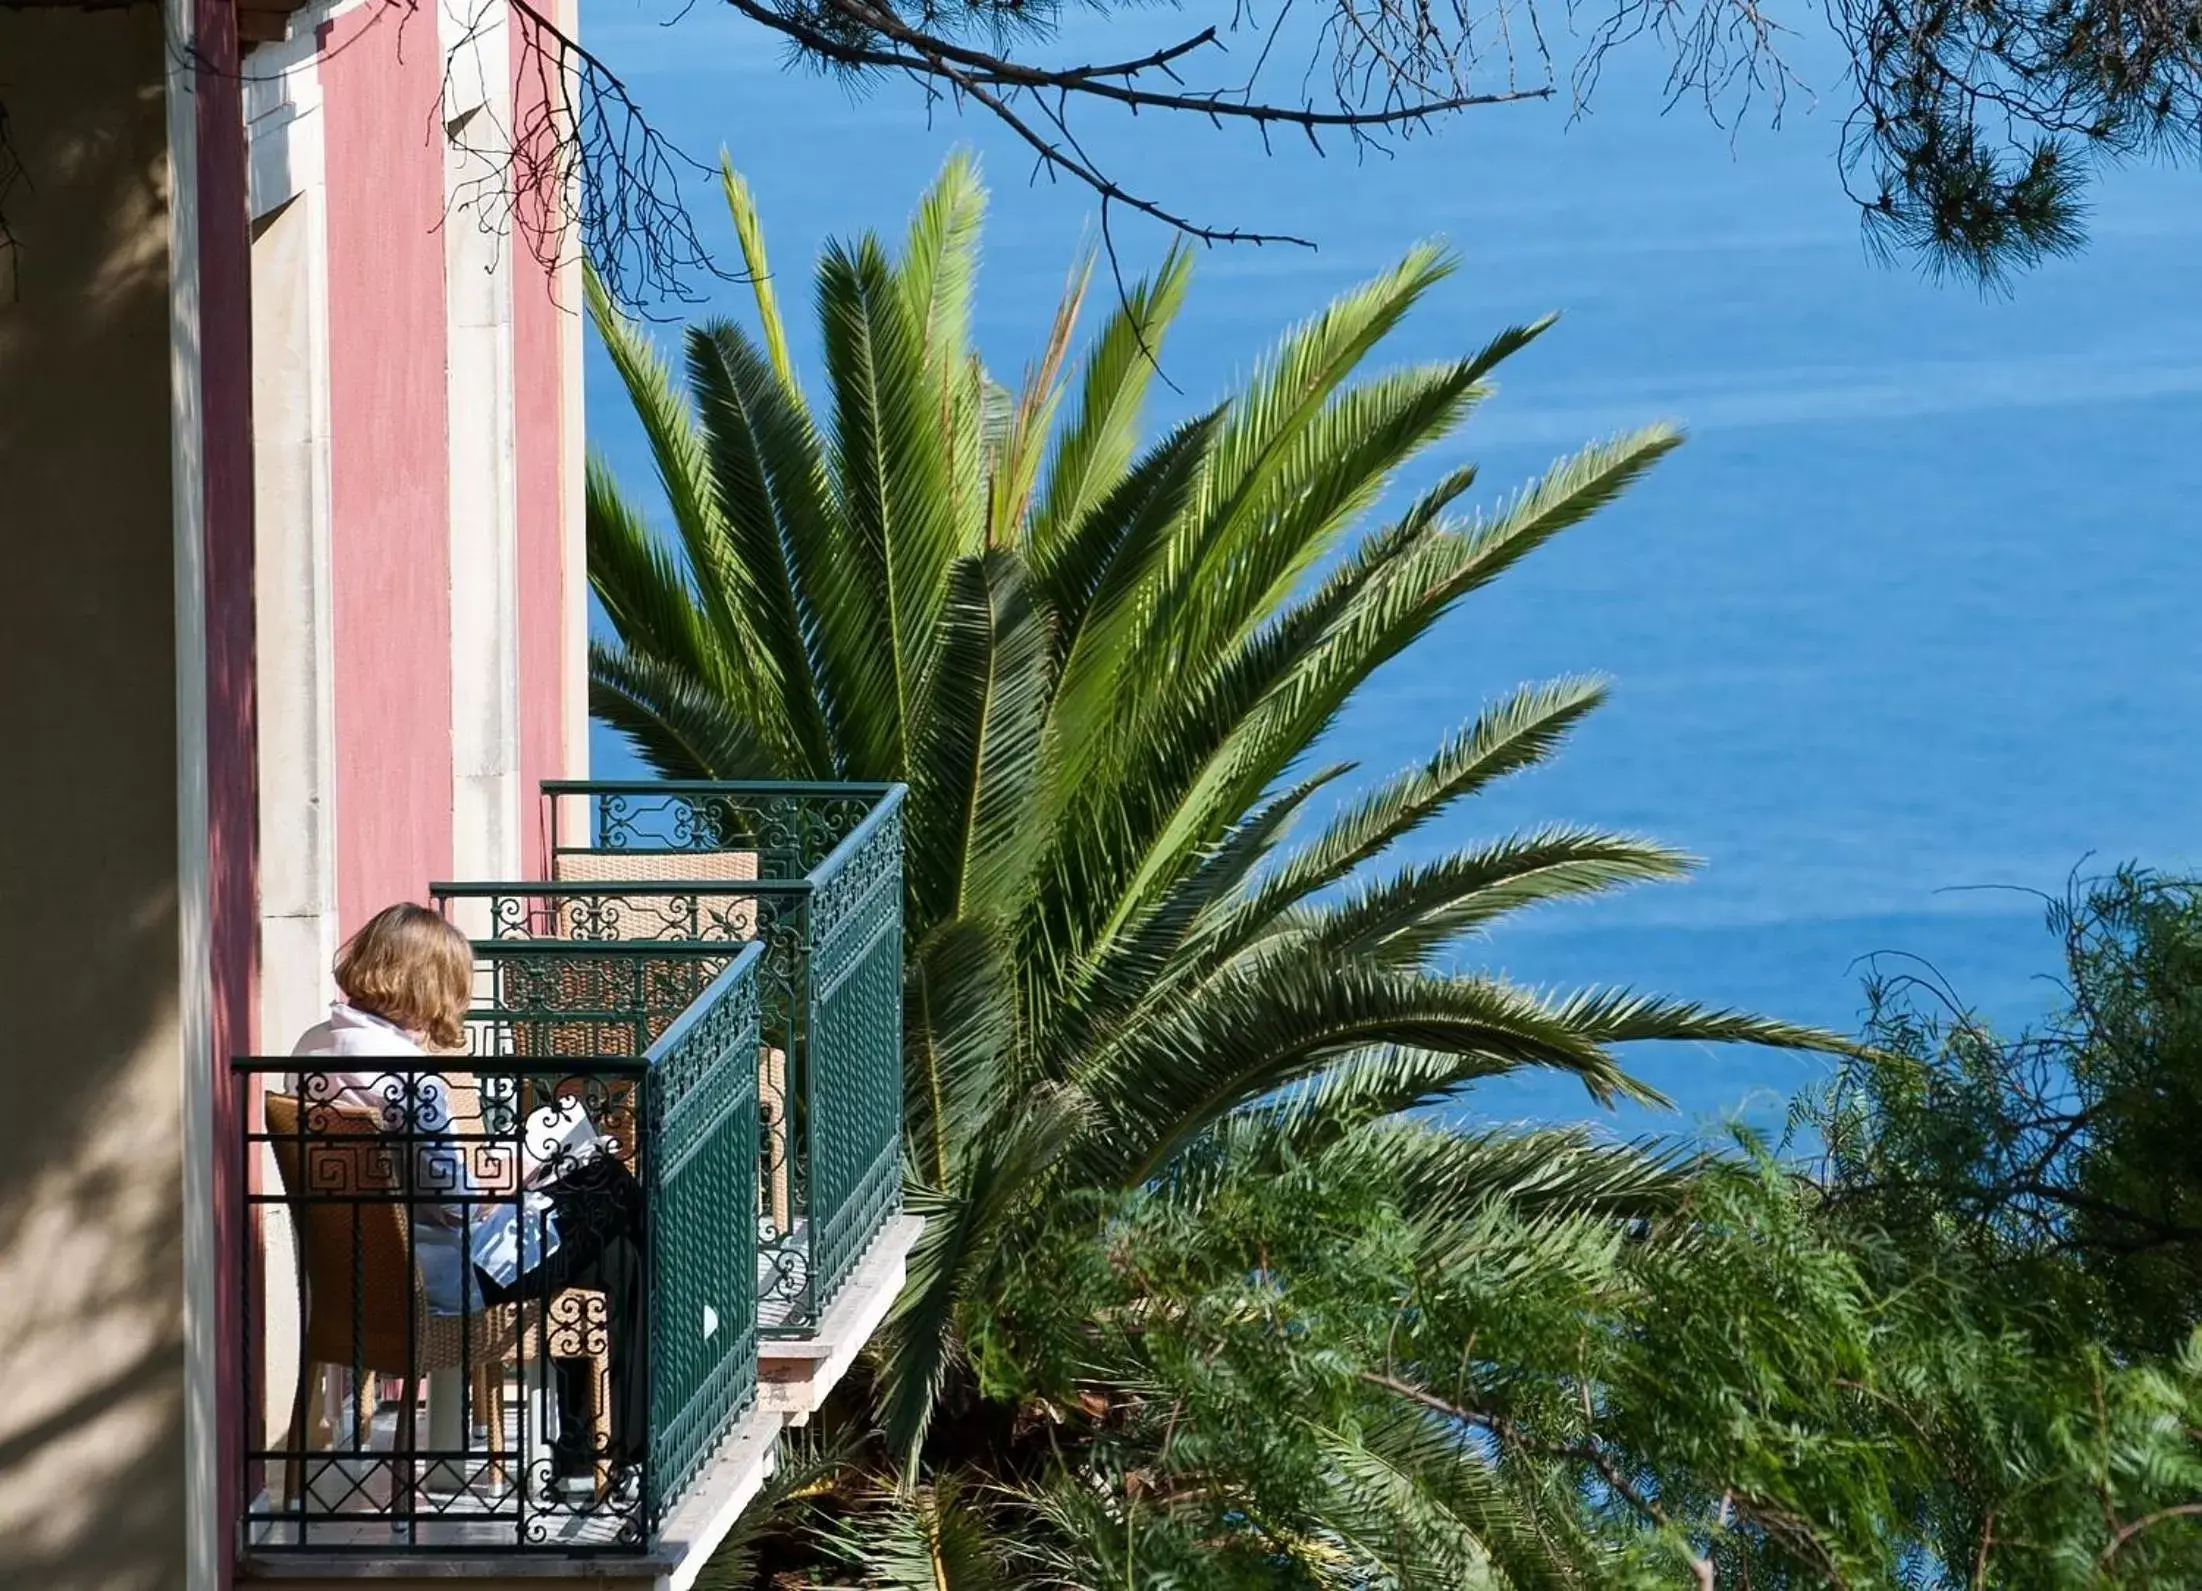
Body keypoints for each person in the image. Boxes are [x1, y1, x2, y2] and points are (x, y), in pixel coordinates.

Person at [291, 902, 646, 1484]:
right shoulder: (410, 1076)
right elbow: (456, 1208)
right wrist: (526, 1163)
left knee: (612, 1251)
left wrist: (508, 1172)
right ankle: (617, 1446)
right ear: (429, 983)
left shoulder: (313, 1050)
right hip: (450, 1273)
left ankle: (592, 1450)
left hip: (361, 1270)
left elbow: (421, 1182)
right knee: (609, 1187)